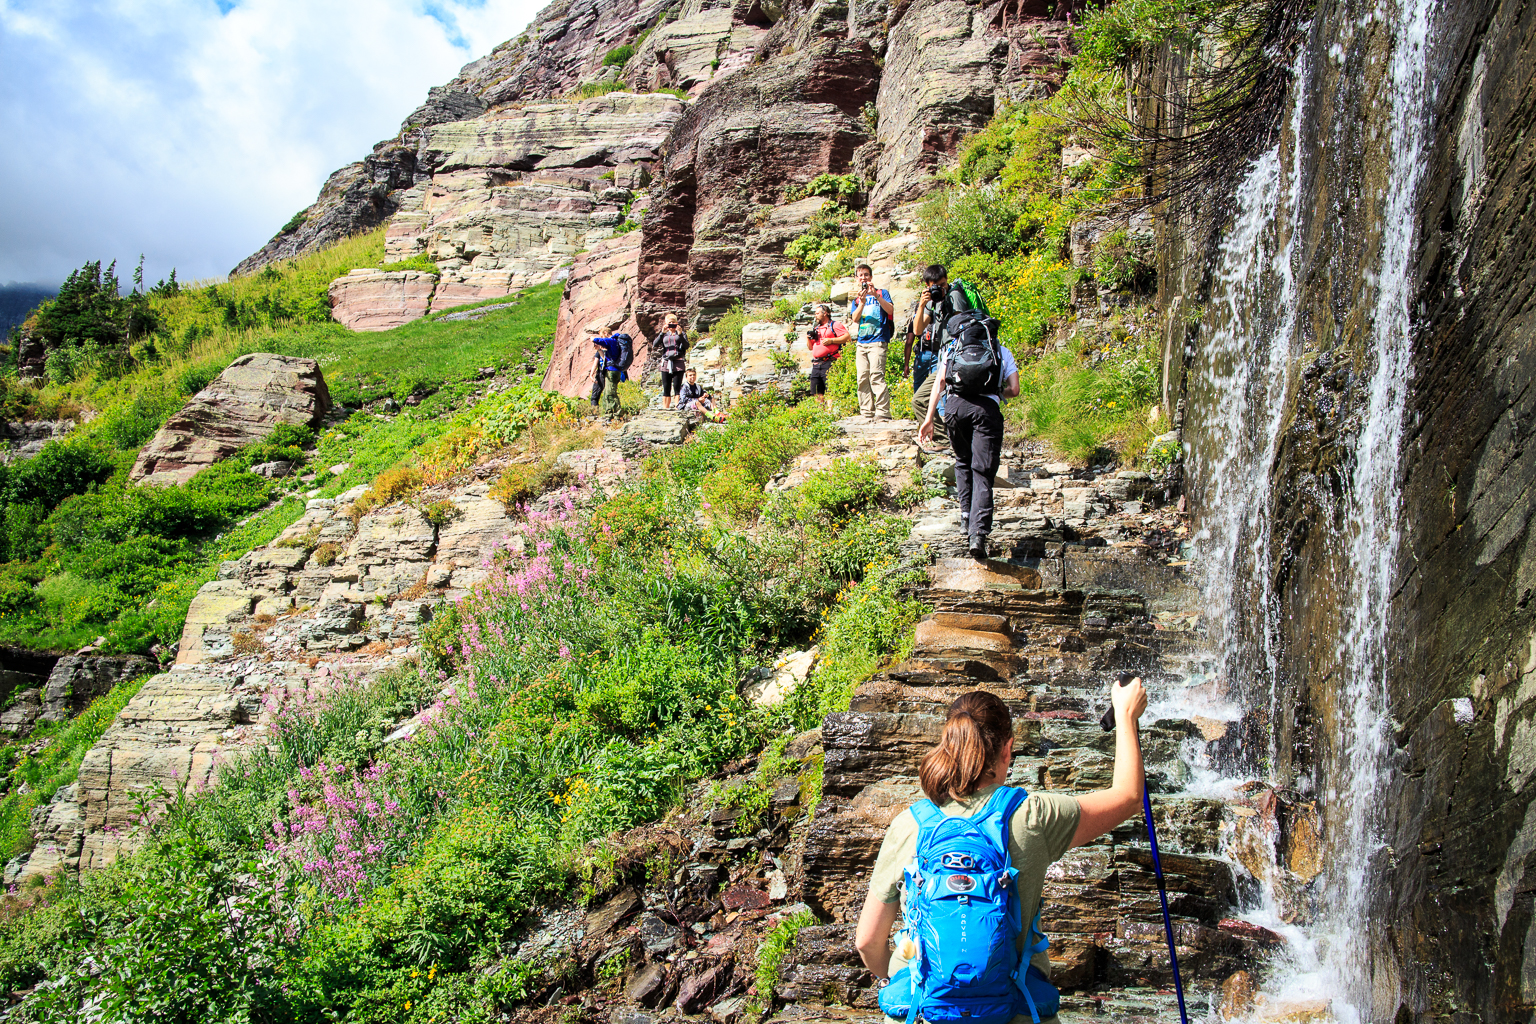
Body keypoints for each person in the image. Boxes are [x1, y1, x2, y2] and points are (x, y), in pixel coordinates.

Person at [855, 684, 1149, 1024]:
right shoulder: (1034, 816)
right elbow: (1128, 795)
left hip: (924, 1012)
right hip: (1014, 1011)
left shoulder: (909, 825)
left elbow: (867, 941)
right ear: (1007, 750)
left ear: (947, 746)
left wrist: (900, 980)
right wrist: (1126, 714)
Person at [916, 264, 1018, 560]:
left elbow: (939, 383)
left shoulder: (956, 299)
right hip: (986, 406)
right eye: (932, 284)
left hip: (956, 401)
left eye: (939, 283)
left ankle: (964, 515)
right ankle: (978, 536)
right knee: (982, 472)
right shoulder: (1000, 348)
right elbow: (1015, 389)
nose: (937, 287)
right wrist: (996, 393)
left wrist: (928, 420)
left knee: (963, 460)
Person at [848, 261, 894, 420]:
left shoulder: (882, 292)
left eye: (866, 275)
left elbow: (890, 310)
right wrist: (862, 302)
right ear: (856, 279)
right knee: (862, 377)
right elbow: (855, 319)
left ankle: (883, 412)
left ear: (871, 277)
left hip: (878, 340)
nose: (863, 278)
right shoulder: (856, 299)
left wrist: (875, 295)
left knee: (876, 375)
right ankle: (866, 412)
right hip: (862, 342)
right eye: (860, 276)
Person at [805, 303, 849, 411]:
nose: (815, 315)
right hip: (816, 364)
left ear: (826, 313)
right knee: (816, 391)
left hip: (830, 361)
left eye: (818, 313)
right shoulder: (816, 328)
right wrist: (808, 338)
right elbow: (810, 347)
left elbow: (847, 337)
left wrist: (832, 340)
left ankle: (830, 413)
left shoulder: (835, 325)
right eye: (815, 313)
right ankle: (820, 413)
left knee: (830, 390)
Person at [655, 314, 690, 410]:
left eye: (673, 322)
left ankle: (677, 408)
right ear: (666, 324)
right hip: (666, 363)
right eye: (669, 322)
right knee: (666, 387)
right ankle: (665, 409)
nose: (671, 324)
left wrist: (680, 334)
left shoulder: (682, 334)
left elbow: (686, 345)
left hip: (678, 363)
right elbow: (655, 344)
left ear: (677, 323)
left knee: (677, 387)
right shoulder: (664, 334)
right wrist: (662, 333)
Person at [592, 332, 629, 416]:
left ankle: (617, 414)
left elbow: (599, 340)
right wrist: (599, 349)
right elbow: (604, 358)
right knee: (607, 393)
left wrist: (592, 338)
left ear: (605, 333)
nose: (602, 338)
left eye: (602, 335)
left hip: (613, 371)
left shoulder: (612, 341)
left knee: (610, 393)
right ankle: (609, 414)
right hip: (612, 370)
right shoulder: (615, 343)